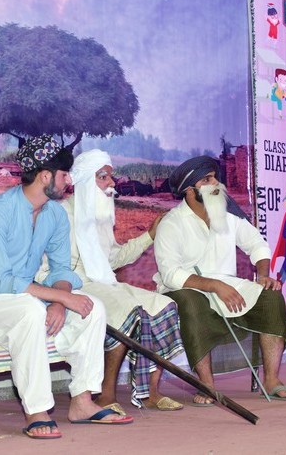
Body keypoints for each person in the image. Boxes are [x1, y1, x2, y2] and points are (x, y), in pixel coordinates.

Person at [0, 135, 132, 440]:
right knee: (30, 311)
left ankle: (82, 402)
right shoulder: (0, 210)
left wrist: (60, 301)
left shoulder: (55, 215)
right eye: (63, 174)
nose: (68, 181)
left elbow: (60, 270)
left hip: (29, 296)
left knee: (91, 308)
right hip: (1, 299)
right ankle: (37, 411)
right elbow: (1, 280)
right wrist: (56, 296)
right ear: (45, 176)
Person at [153, 155, 286, 404]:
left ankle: (272, 380)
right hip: (184, 287)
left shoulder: (227, 214)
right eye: (207, 180)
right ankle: (206, 384)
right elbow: (170, 274)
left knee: (270, 297)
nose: (216, 184)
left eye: (214, 178)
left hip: (225, 284)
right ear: (189, 190)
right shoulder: (172, 223)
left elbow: (257, 244)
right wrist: (214, 285)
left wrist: (263, 275)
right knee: (192, 302)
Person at [60, 149, 184, 412]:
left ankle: (149, 392)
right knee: (127, 309)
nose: (111, 183)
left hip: (104, 282)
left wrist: (149, 235)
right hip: (75, 286)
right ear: (84, 179)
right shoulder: (61, 213)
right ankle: (106, 395)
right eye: (103, 177)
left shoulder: (101, 215)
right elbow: (50, 267)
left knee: (163, 305)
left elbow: (113, 260)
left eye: (110, 176)